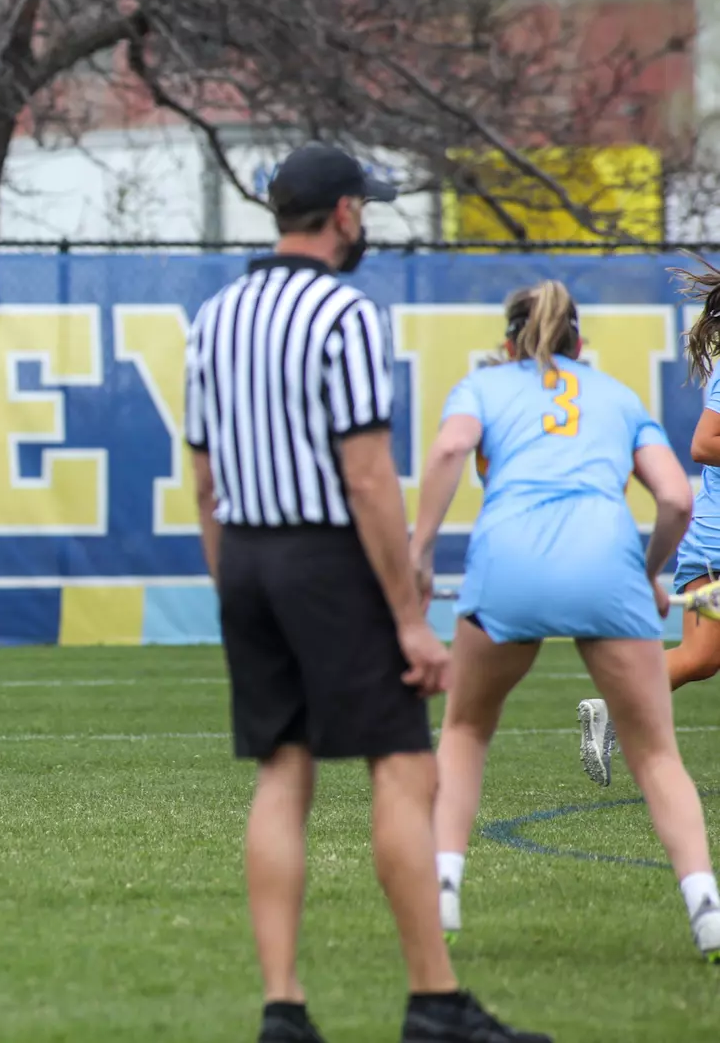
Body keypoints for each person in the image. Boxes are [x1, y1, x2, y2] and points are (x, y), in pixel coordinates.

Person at [183, 142, 547, 1043]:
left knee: (283, 770)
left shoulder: (216, 314)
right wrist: (408, 622)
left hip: (249, 559)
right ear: (344, 213)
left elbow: (200, 477)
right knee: (402, 764)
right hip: (325, 559)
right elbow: (368, 477)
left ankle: (284, 1008)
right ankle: (433, 1000)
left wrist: (232, 578)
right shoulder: (345, 313)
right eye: (365, 208)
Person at [410, 279, 720, 966]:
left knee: (464, 730)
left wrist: (420, 553)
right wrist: (648, 576)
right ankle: (706, 911)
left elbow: (445, 454)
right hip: (605, 567)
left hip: (508, 566)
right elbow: (673, 497)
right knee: (656, 754)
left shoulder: (484, 386)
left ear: (507, 343)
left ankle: (442, 892)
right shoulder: (614, 394)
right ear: (581, 343)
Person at [576, 256, 720, 784]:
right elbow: (704, 445)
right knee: (701, 655)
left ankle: (611, 703)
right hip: (717, 539)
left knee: (701, 658)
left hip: (709, 538)